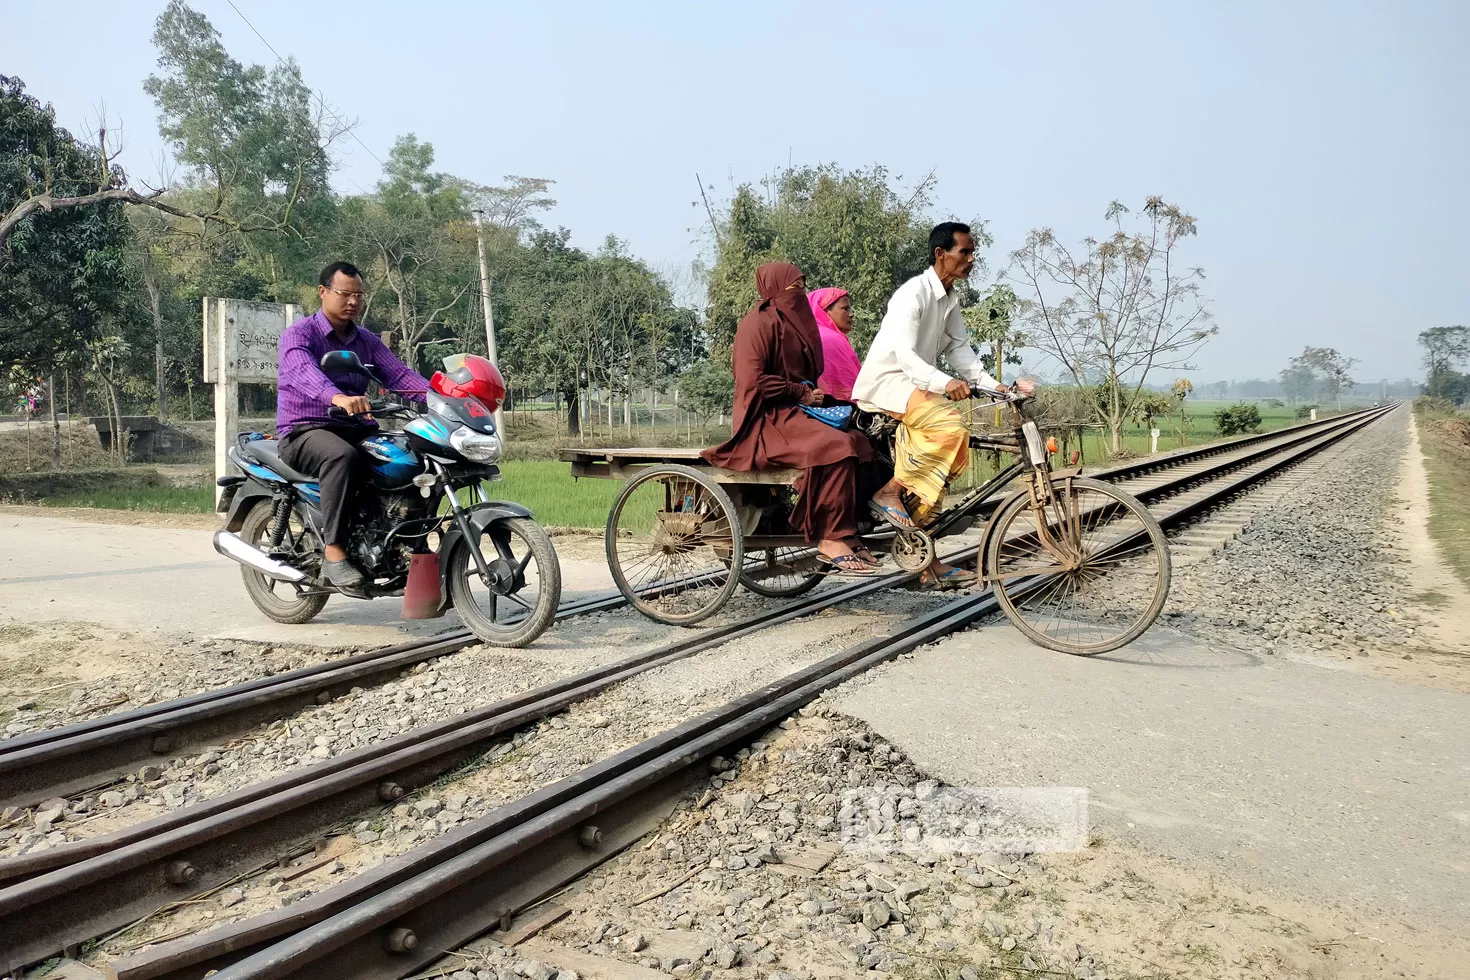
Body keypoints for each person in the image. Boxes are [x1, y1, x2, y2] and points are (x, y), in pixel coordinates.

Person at [852, 222, 1036, 588]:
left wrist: (997, 386)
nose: (971, 260)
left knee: (939, 470)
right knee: (952, 428)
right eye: (964, 252)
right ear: (941, 254)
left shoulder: (951, 299)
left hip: (916, 385)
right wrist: (946, 382)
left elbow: (960, 352)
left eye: (972, 253)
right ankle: (888, 491)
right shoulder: (912, 295)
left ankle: (926, 563)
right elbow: (905, 355)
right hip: (888, 384)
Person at [702, 263, 878, 575]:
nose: (800, 293)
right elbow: (752, 380)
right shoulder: (756, 325)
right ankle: (829, 536)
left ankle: (848, 529)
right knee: (837, 446)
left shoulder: (796, 322)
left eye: (803, 286)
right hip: (765, 419)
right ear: (773, 290)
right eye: (793, 287)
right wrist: (799, 391)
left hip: (796, 413)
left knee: (862, 443)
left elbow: (810, 372)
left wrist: (811, 394)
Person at [276, 261, 433, 593]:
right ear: (323, 292)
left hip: (355, 426)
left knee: (408, 458)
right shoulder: (300, 334)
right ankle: (334, 553)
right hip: (305, 429)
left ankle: (402, 540)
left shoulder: (367, 341)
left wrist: (443, 397)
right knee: (342, 457)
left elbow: (401, 377)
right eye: (345, 294)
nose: (352, 302)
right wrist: (337, 397)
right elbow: (305, 373)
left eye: (358, 295)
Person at [809, 287, 861, 401]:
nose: (851, 314)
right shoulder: (831, 339)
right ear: (824, 311)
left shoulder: (808, 336)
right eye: (845, 308)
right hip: (840, 408)